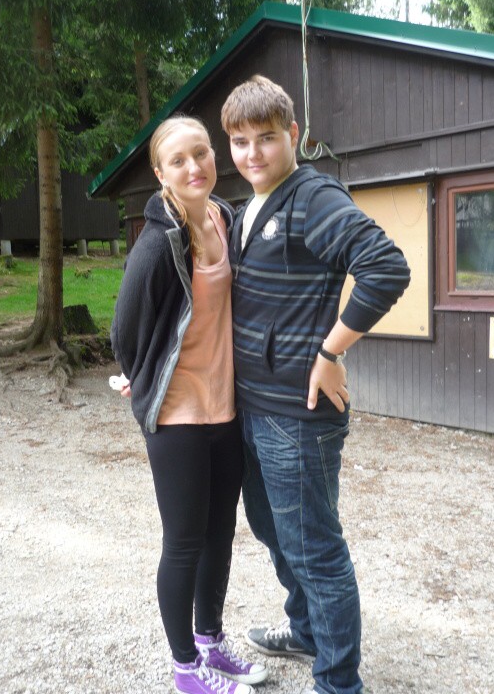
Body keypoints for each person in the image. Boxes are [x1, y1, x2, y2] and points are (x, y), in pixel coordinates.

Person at [220, 76, 411, 694]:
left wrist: (331, 351)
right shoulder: (249, 209)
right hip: (253, 407)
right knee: (276, 533)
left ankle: (338, 682)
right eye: (241, 142)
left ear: (293, 134)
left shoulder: (311, 196)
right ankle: (306, 630)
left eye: (266, 138)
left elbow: (386, 267)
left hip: (297, 417)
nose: (253, 153)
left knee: (315, 550)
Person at [110, 115, 268, 694]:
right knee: (183, 542)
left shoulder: (225, 218)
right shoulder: (159, 243)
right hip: (177, 416)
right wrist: (142, 377)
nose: (194, 166)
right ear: (160, 174)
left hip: (225, 408)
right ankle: (185, 670)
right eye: (177, 160)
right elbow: (124, 330)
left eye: (200, 153)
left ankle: (209, 642)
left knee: (220, 534)